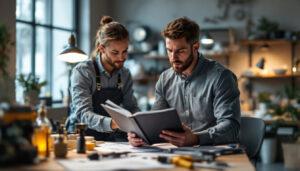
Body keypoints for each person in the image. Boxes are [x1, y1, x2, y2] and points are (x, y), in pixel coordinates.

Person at [128, 17, 241, 147]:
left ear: (195, 47)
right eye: (169, 50)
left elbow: (231, 128)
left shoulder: (221, 78)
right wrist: (141, 135)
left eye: (180, 51)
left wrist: (196, 138)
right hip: (178, 152)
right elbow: (156, 123)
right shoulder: (165, 79)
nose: (173, 57)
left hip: (214, 151)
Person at [66, 16, 140, 141]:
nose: (121, 58)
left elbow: (131, 106)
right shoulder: (83, 72)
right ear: (102, 48)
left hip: (109, 138)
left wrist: (141, 121)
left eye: (125, 51)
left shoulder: (125, 74)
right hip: (80, 137)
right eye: (115, 53)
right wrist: (114, 123)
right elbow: (83, 114)